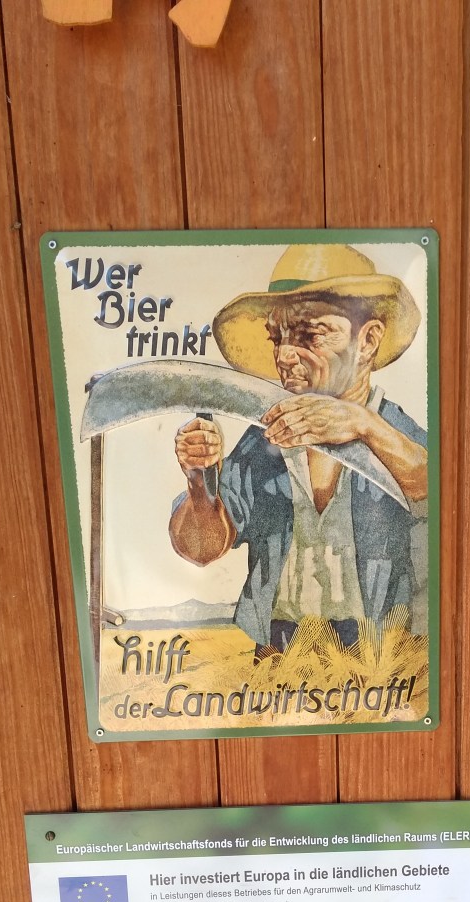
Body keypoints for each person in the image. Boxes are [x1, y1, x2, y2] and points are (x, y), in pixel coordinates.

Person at [168, 244, 428, 654]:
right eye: (278, 338)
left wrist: (363, 424)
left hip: (382, 659)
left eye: (310, 335)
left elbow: (442, 492)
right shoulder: (264, 438)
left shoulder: (395, 431)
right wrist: (200, 484)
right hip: (278, 655)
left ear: (368, 340)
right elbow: (202, 550)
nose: (284, 356)